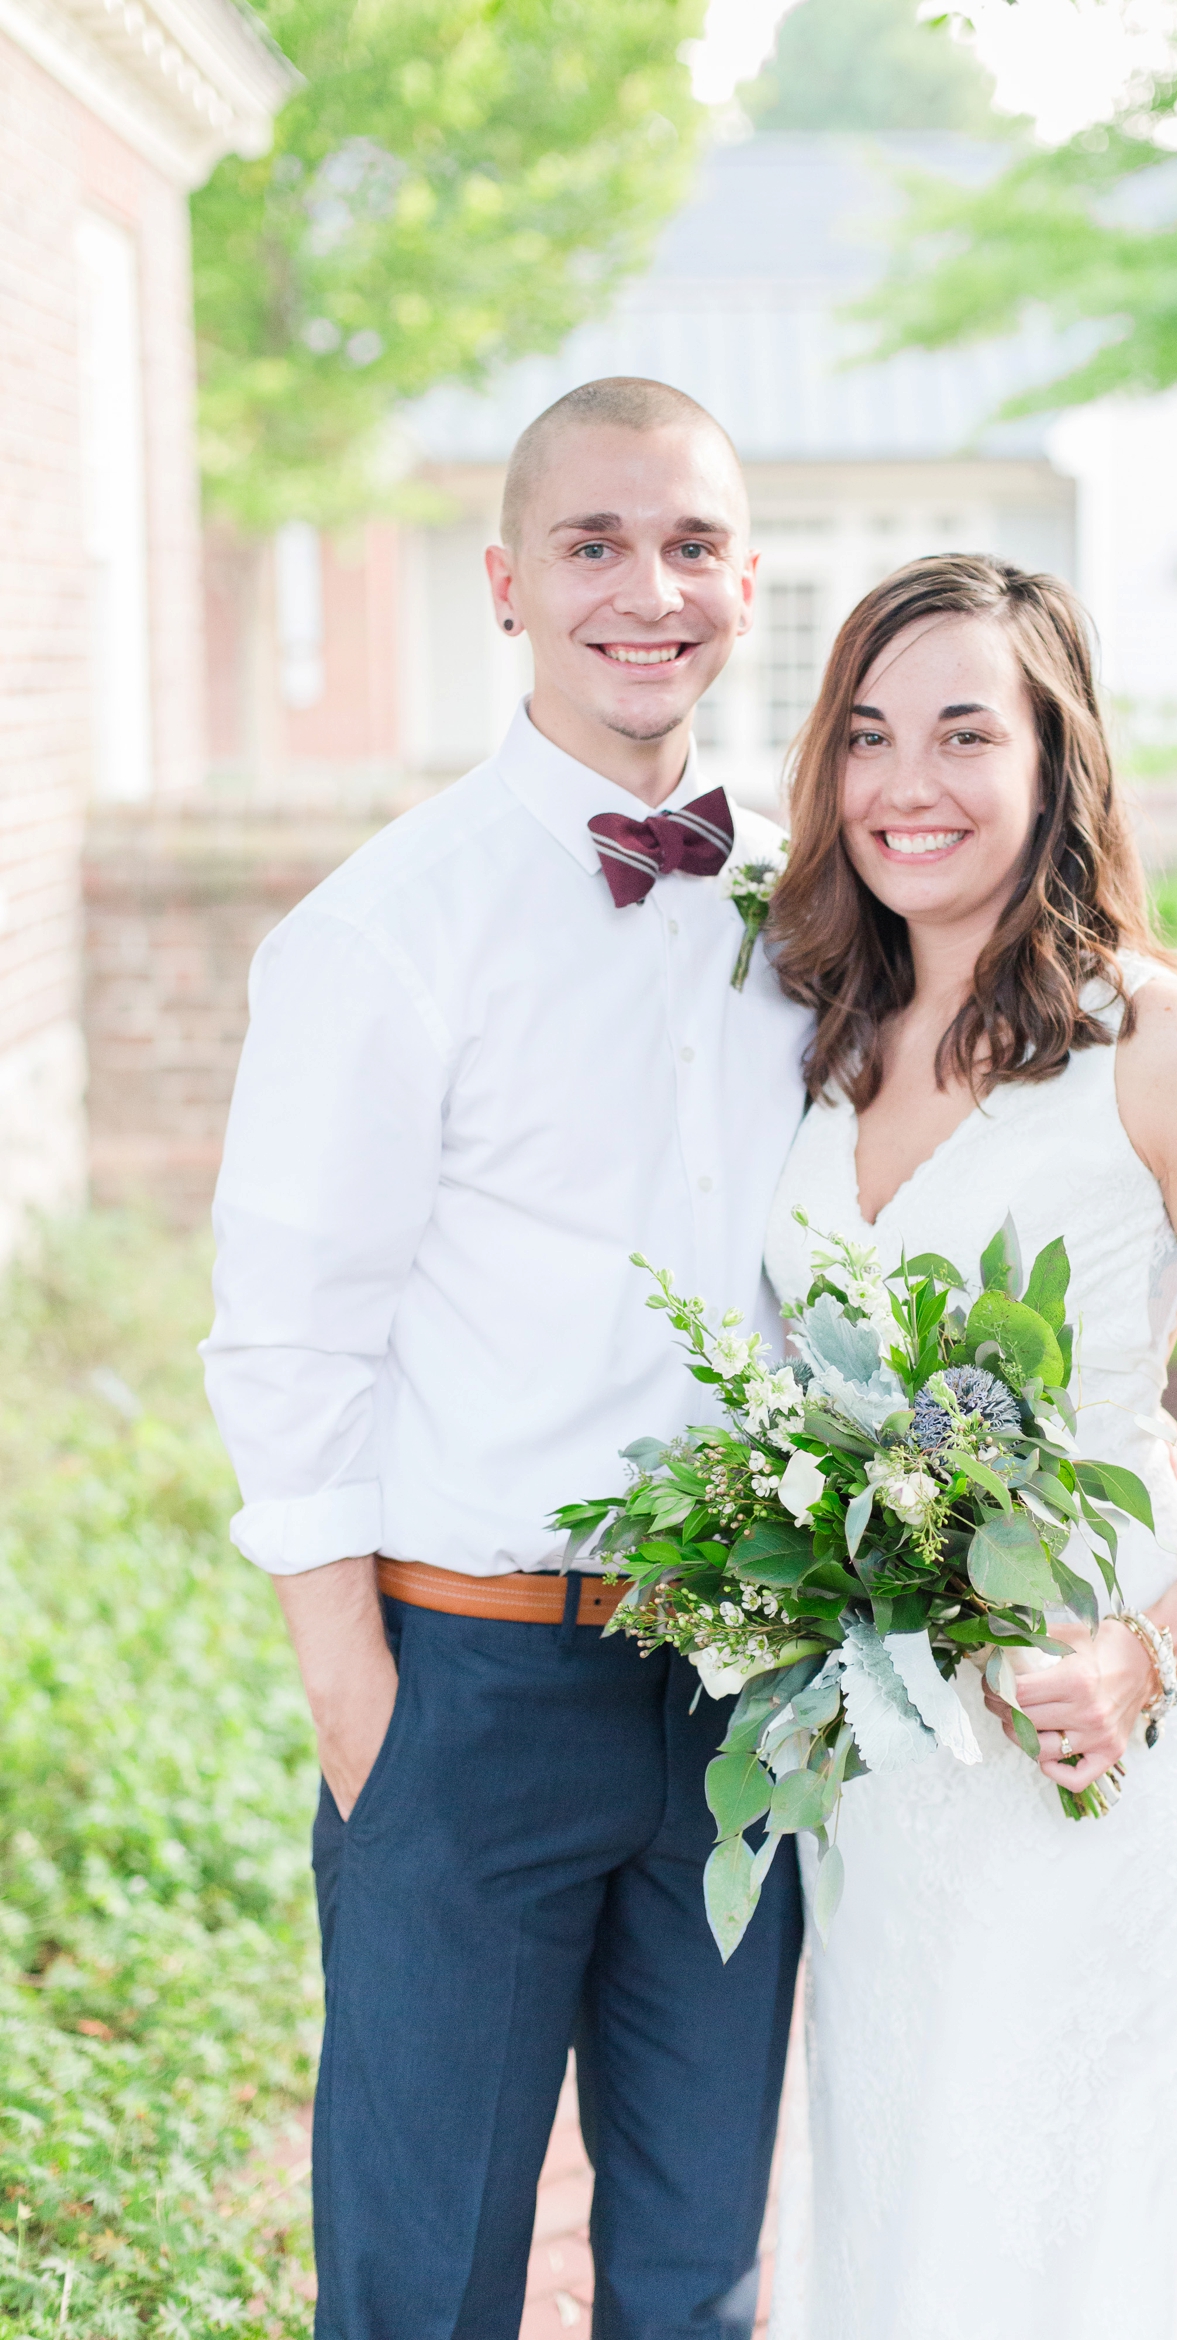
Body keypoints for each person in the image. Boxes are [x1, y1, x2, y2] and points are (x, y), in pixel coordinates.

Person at [201, 377, 809, 2340]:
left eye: (693, 542)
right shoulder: (390, 929)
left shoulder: (817, 908)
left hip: (742, 1695)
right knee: (424, 2279)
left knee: (697, 2274)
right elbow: (291, 1324)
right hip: (469, 1688)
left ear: (747, 577)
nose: (650, 588)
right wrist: (357, 1703)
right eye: (596, 543)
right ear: (505, 583)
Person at [760, 554, 1177, 2340]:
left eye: (967, 732)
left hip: (1082, 1721)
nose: (908, 783)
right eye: (868, 737)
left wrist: (1145, 1652)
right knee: (899, 2166)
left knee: (1078, 2192)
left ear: (1058, 761)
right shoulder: (818, 1034)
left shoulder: (1160, 1045)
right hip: (880, 1748)